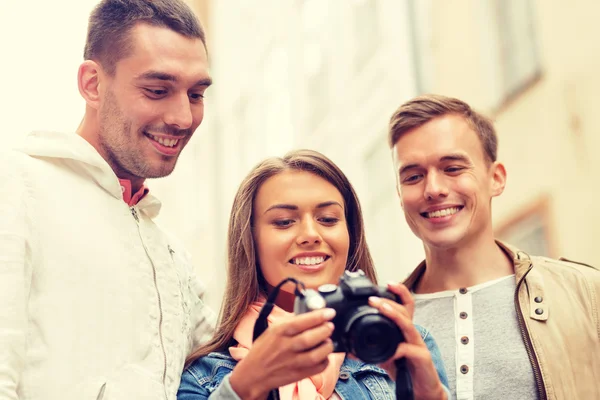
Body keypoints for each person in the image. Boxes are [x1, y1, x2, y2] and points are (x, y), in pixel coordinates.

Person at [0, 1, 216, 399]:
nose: (184, 117)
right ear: (93, 84)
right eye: (157, 90)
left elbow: (239, 360)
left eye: (197, 93)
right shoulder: (16, 187)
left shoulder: (172, 256)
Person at [178, 149, 449, 400]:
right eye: (284, 222)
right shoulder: (203, 378)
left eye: (328, 219)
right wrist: (246, 385)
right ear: (250, 241)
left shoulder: (403, 346)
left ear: (350, 235)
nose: (310, 235)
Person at [387, 94, 600, 400]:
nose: (433, 189)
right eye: (414, 176)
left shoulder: (587, 296)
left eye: (453, 168)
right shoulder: (381, 324)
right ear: (399, 192)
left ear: (496, 178)